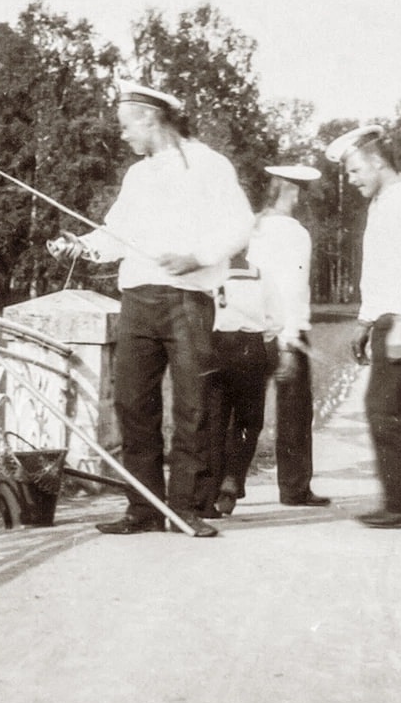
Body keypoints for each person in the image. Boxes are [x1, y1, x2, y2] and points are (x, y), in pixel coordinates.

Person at [48, 82, 254, 538]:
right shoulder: (137, 176)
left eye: (126, 126)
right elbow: (115, 235)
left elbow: (241, 225)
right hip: (137, 300)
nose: (122, 135)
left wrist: (198, 257)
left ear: (149, 117)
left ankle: (186, 508)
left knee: (193, 408)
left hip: (188, 300)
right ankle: (143, 508)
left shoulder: (209, 164)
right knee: (132, 405)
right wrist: (79, 246)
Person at [325, 125, 401, 529]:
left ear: (377, 161)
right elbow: (381, 270)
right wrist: (366, 320)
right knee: (389, 406)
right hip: (391, 314)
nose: (351, 179)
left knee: (386, 406)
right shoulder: (384, 201)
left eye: (355, 170)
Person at [251, 163, 331, 509]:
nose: (301, 200)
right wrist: (290, 339)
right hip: (286, 335)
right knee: (294, 414)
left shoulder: (251, 227)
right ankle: (294, 488)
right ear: (292, 192)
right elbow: (294, 289)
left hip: (247, 328)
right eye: (300, 192)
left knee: (241, 412)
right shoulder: (295, 233)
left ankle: (224, 489)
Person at [198, 252, 279, 519]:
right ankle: (233, 476)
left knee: (215, 421)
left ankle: (209, 496)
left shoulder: (208, 273)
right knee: (248, 422)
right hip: (251, 347)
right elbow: (275, 320)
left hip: (217, 346)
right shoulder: (262, 274)